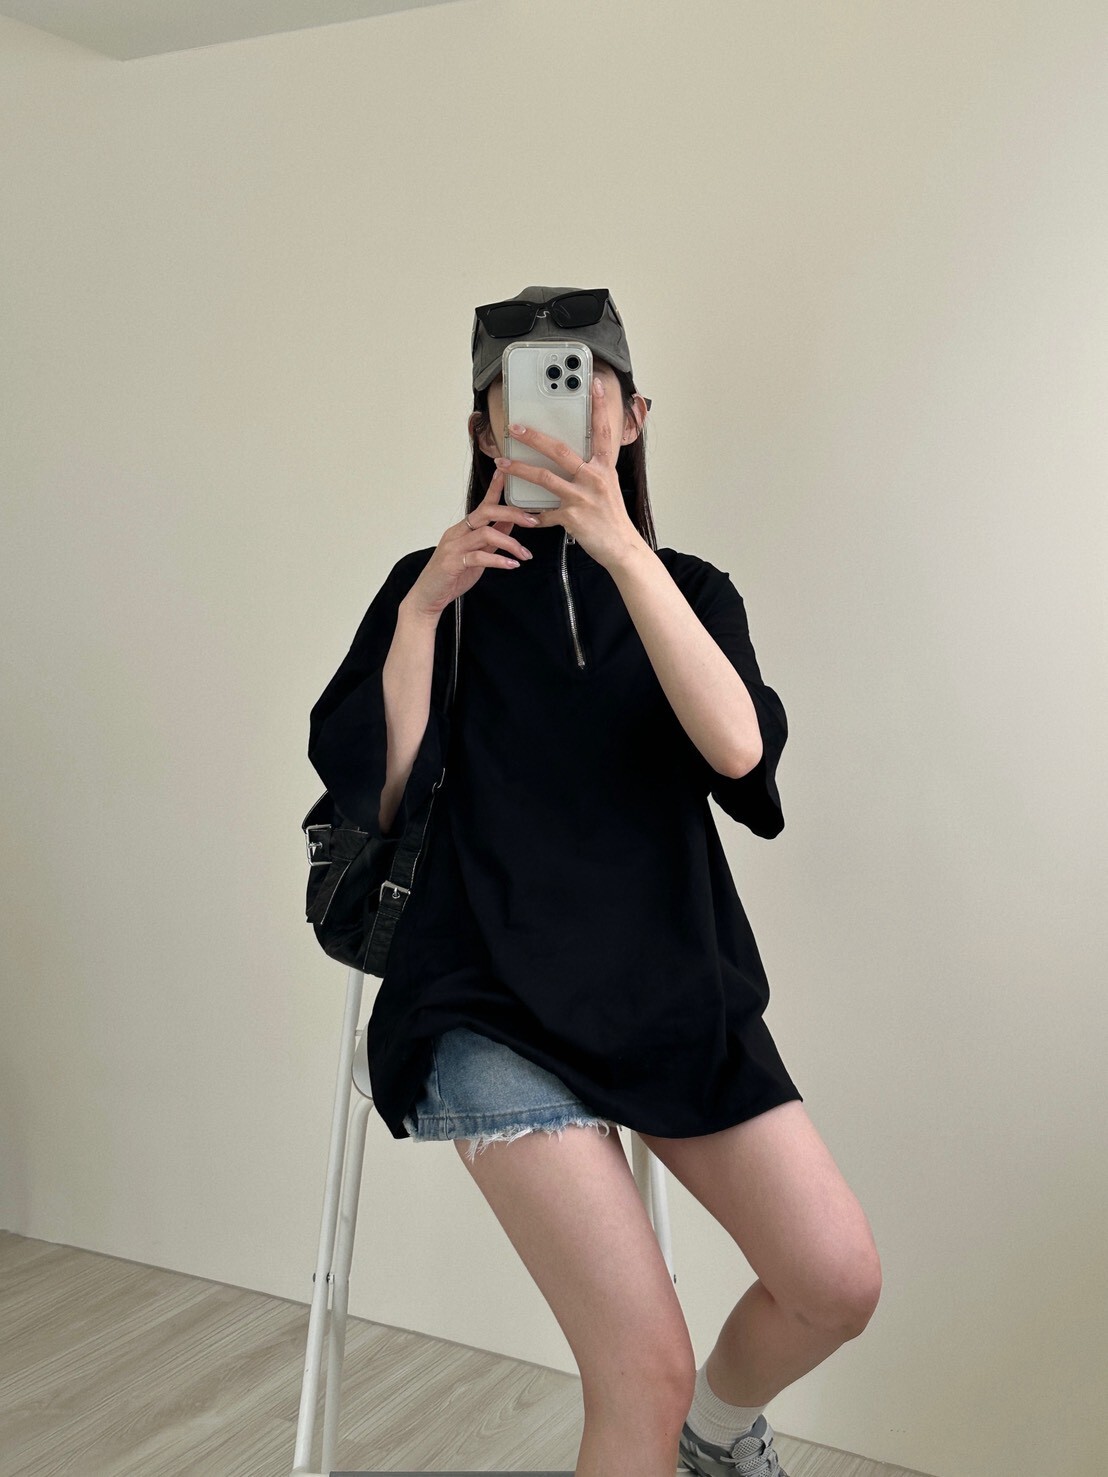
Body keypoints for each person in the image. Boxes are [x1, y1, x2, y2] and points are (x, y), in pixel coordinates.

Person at [307, 286, 881, 1477]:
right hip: (484, 998)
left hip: (669, 989)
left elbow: (739, 753)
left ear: (631, 418)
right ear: (482, 431)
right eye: (515, 398)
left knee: (836, 1280)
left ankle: (715, 1433)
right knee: (640, 1370)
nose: (551, 418)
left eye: (580, 390)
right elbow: (380, 793)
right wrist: (418, 616)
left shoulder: (691, 591)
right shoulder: (432, 590)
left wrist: (622, 552)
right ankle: (677, 1415)